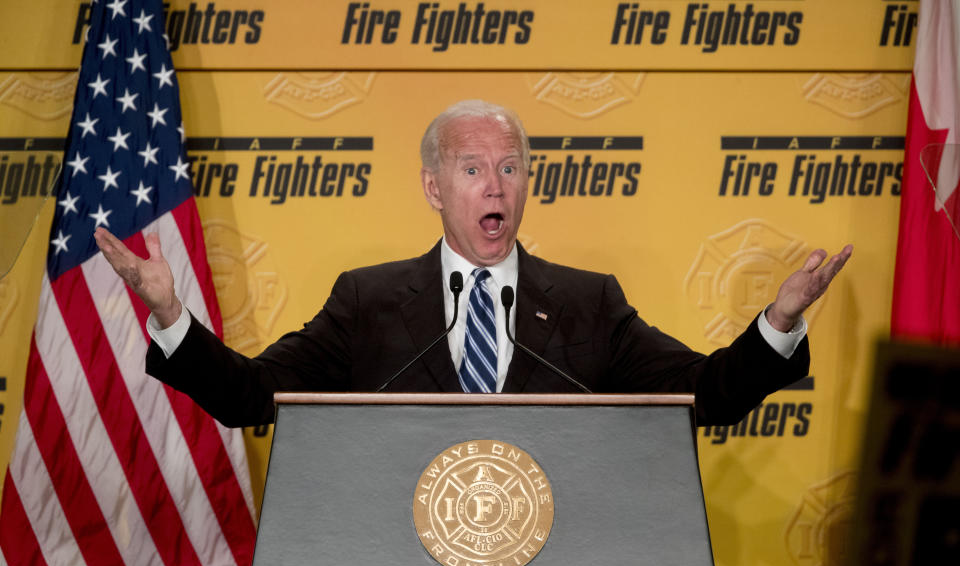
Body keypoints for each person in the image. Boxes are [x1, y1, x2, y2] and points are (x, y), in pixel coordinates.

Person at [94, 100, 852, 428]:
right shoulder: (368, 301)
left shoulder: (590, 305)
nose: (496, 186)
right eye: (471, 170)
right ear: (433, 186)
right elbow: (251, 397)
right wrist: (169, 313)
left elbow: (705, 395)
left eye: (511, 167)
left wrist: (779, 322)